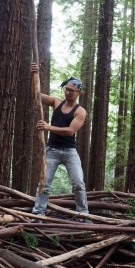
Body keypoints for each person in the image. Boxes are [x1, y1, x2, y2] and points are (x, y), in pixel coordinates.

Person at [30, 62, 90, 219]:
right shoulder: (56, 102)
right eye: (67, 89)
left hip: (70, 152)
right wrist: (34, 75)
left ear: (79, 93)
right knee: (44, 183)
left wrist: (48, 127)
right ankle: (39, 214)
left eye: (72, 91)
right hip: (52, 150)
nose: (68, 92)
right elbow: (36, 96)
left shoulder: (80, 111)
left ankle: (83, 215)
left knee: (78, 183)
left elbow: (70, 131)